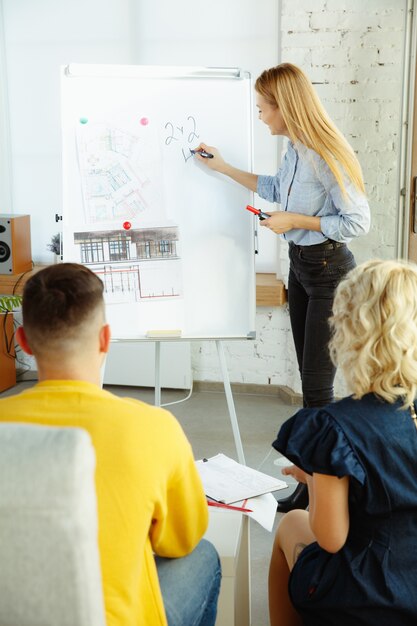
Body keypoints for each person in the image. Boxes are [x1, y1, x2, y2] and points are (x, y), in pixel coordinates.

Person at [0, 263, 221, 626]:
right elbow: (181, 539)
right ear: (105, 339)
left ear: (23, 341)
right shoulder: (154, 427)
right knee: (204, 556)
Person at [194, 62, 370, 512]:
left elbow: (356, 220)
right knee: (311, 384)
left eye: (262, 107)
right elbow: (275, 188)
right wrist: (224, 168)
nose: (259, 115)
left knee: (315, 388)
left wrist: (295, 221)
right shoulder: (295, 148)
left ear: (284, 107)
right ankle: (315, 485)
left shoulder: (324, 151)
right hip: (302, 267)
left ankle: (318, 490)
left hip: (331, 272)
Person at [268, 259, 417, 626]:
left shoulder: (334, 427)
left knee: (291, 526)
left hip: (369, 596)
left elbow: (330, 538)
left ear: (348, 332)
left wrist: (315, 478)